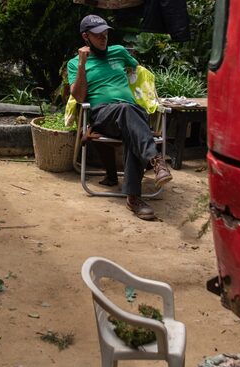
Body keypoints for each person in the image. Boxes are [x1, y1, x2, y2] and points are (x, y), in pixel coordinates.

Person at [68, 14, 172, 220]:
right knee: (128, 113)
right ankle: (155, 160)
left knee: (131, 121)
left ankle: (134, 198)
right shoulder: (75, 63)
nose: (103, 37)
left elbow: (138, 70)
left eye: (105, 32)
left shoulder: (119, 52)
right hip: (103, 114)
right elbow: (79, 96)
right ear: (85, 37)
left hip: (131, 113)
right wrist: (82, 64)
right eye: (98, 34)